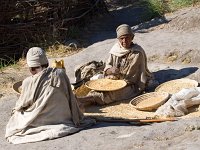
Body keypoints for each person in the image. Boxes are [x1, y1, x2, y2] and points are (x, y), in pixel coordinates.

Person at [5, 47, 95, 144]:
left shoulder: (27, 82)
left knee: (17, 116)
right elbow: (70, 97)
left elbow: (22, 105)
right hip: (63, 118)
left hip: (42, 120)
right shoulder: (60, 73)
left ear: (31, 68)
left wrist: (16, 109)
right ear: (46, 63)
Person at [78, 24, 153, 106]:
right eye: (121, 38)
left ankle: (83, 101)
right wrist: (110, 70)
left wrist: (118, 81)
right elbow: (108, 66)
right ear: (118, 39)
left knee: (110, 94)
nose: (124, 41)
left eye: (127, 37)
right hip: (113, 81)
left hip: (131, 85)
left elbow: (134, 78)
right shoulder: (115, 49)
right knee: (97, 89)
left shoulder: (137, 53)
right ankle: (82, 102)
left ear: (132, 37)